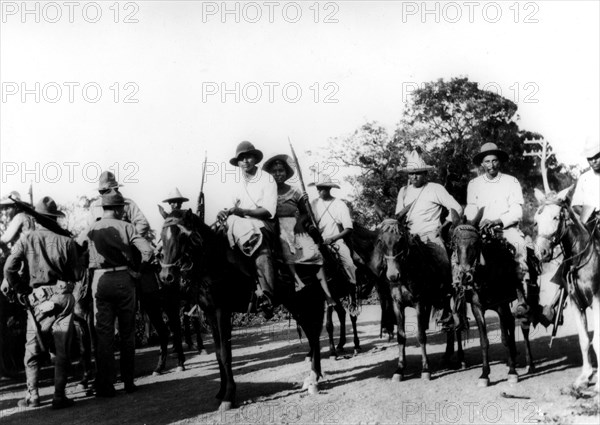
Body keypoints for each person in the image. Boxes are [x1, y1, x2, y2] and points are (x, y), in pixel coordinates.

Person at [3, 196, 85, 409]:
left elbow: (9, 269)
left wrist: (21, 290)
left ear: (37, 219)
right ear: (54, 219)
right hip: (63, 298)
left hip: (37, 300)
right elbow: (77, 274)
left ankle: (33, 396)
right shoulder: (66, 242)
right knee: (62, 348)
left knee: (32, 350)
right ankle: (59, 396)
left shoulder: (26, 239)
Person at [87, 190, 154, 397]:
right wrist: (138, 270)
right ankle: (128, 382)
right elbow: (148, 251)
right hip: (125, 279)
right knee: (127, 333)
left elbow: (76, 248)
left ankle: (106, 384)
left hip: (100, 280)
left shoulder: (91, 229)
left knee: (103, 335)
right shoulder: (127, 226)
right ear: (118, 208)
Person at [464, 143, 534, 318]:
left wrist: (497, 221)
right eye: (487, 161)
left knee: (519, 247)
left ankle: (521, 296)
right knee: (462, 251)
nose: (491, 165)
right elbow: (471, 208)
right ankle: (461, 293)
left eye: (495, 160)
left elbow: (517, 211)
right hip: (481, 229)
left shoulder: (511, 181)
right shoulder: (474, 183)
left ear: (499, 162)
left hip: (505, 229)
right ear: (482, 164)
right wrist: (475, 222)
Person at [394, 151, 462, 327]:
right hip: (409, 237)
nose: (414, 177)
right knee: (389, 262)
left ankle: (444, 305)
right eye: (411, 173)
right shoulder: (403, 191)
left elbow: (456, 208)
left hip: (430, 235)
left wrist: (444, 225)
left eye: (418, 173)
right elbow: (397, 216)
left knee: (443, 264)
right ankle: (391, 304)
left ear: (425, 174)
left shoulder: (435, 188)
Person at [262, 154, 336, 305]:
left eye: (281, 170)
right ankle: (297, 282)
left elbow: (306, 212)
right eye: (274, 171)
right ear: (269, 175)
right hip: (276, 227)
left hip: (296, 225)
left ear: (286, 172)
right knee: (284, 246)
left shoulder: (295, 191)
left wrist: (299, 222)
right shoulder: (266, 192)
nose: (278, 174)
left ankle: (328, 294)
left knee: (313, 251)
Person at [217, 141, 279, 319]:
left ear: (255, 159)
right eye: (241, 158)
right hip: (239, 223)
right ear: (238, 162)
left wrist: (242, 212)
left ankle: (267, 294)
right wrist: (225, 212)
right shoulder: (236, 182)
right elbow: (232, 206)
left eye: (248, 157)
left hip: (262, 223)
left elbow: (268, 211)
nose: (245, 161)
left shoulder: (266, 179)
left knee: (257, 241)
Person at [309, 175, 358, 312]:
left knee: (349, 264)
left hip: (335, 242)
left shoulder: (339, 204)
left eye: (322, 189)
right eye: (318, 189)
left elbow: (348, 228)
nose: (319, 191)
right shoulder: (313, 204)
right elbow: (308, 222)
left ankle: (352, 297)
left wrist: (333, 239)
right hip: (317, 242)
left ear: (329, 189)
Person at [89, 171, 151, 239]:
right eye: (105, 191)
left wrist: (130, 240)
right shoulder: (94, 206)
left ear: (116, 189)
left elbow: (143, 223)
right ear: (100, 191)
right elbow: (90, 228)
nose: (109, 193)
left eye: (110, 190)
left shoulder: (128, 203)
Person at [572, 136, 600, 229]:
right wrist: (591, 216)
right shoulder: (584, 178)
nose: (594, 161)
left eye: (596, 157)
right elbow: (575, 205)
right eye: (590, 158)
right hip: (590, 223)